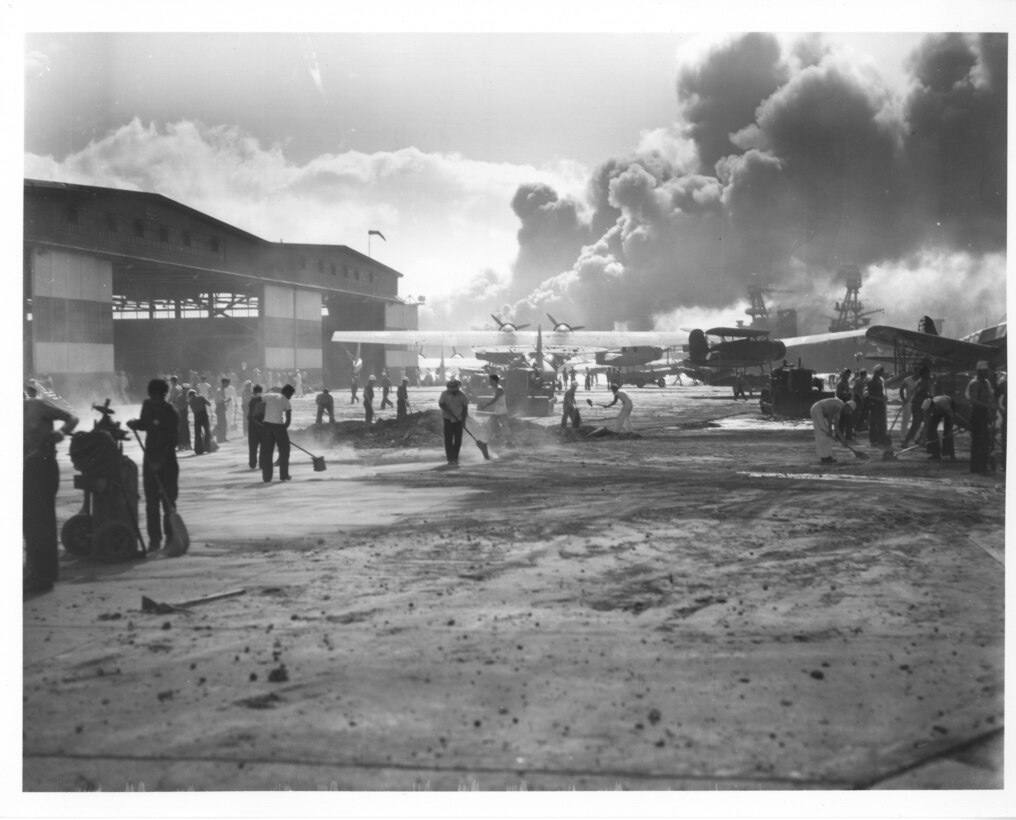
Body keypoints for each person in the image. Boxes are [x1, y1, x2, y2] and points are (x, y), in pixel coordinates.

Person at [23, 384, 78, 594]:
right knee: (31, 522)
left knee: (40, 520)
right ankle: (40, 570)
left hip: (43, 466)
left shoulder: (37, 406)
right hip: (26, 468)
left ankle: (42, 574)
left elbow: (71, 418)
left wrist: (61, 433)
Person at [126, 378, 179, 551]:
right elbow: (145, 424)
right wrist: (135, 424)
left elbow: (173, 442)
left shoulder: (171, 412)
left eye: (159, 397)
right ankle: (154, 540)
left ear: (164, 395)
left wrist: (160, 462)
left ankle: (170, 537)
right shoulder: (147, 406)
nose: (155, 400)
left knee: (168, 502)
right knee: (151, 503)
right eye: (153, 396)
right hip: (150, 461)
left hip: (168, 463)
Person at [260, 384, 295, 482]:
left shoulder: (269, 395)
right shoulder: (286, 401)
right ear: (287, 392)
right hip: (279, 427)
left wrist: (256, 417)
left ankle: (267, 477)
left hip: (266, 426)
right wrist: (283, 430)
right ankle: (284, 475)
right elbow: (288, 420)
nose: (290, 396)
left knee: (267, 452)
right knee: (285, 450)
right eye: (291, 394)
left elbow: (256, 401)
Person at [966, 361, 996, 474]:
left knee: (983, 441)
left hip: (984, 413)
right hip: (977, 414)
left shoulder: (986, 382)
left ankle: (979, 467)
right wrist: (988, 406)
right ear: (979, 372)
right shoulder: (975, 383)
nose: (986, 372)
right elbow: (973, 400)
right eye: (984, 371)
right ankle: (979, 468)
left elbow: (989, 397)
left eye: (987, 370)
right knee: (980, 441)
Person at [438, 378, 469, 466]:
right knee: (448, 440)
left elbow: (465, 408)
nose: (451, 390)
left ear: (457, 387)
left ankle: (455, 457)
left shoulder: (462, 395)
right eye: (450, 388)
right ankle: (450, 458)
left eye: (453, 388)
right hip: (447, 419)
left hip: (458, 420)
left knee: (458, 440)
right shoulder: (444, 394)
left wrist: (463, 421)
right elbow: (441, 403)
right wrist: (445, 408)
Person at [810, 396, 850, 464]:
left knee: (827, 436)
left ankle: (827, 456)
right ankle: (824, 457)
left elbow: (836, 427)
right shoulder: (839, 405)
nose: (848, 412)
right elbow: (829, 418)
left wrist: (843, 440)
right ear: (847, 406)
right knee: (822, 434)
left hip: (819, 411)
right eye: (849, 410)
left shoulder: (840, 409)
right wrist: (830, 431)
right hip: (817, 409)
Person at [902, 366, 932, 447]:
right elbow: (918, 393)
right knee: (916, 424)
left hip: (921, 404)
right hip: (918, 405)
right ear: (924, 374)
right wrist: (928, 396)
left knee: (926, 423)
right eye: (928, 373)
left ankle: (920, 439)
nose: (929, 374)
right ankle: (906, 441)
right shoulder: (922, 381)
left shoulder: (924, 380)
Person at [479, 373, 512, 441]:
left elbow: (495, 399)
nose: (489, 382)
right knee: (492, 424)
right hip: (498, 410)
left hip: (501, 411)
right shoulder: (497, 388)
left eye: (490, 380)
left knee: (503, 425)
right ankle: (496, 438)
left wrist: (485, 405)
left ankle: (508, 441)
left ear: (494, 380)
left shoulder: (499, 389)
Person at [923, 395, 956, 461]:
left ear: (933, 406)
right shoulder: (926, 409)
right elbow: (927, 425)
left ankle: (950, 453)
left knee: (947, 431)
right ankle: (935, 453)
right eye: (929, 411)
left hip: (950, 404)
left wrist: (950, 431)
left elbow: (951, 416)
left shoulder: (943, 405)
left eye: (931, 410)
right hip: (937, 410)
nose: (930, 412)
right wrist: (923, 438)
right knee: (931, 429)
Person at [865, 365, 888, 447]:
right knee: (874, 423)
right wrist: (880, 399)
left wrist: (883, 397)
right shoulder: (871, 381)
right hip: (874, 405)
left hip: (881, 404)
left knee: (882, 422)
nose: (883, 373)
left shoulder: (880, 380)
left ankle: (881, 439)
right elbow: (870, 395)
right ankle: (873, 440)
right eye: (882, 371)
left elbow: (880, 392)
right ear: (878, 372)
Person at [168, 375, 191, 451]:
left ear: (172, 381)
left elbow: (172, 399)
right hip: (181, 410)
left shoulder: (175, 389)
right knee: (183, 427)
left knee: (178, 428)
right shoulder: (180, 388)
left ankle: (179, 444)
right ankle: (184, 444)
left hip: (177, 409)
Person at [188, 389, 212, 455]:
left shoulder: (190, 402)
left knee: (197, 433)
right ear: (195, 393)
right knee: (207, 431)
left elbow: (193, 410)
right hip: (204, 415)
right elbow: (209, 404)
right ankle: (208, 447)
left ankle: (198, 450)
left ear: (190, 395)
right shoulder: (201, 397)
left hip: (197, 416)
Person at [247, 384, 265, 470]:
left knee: (253, 446)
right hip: (263, 425)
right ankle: (262, 463)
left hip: (253, 426)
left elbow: (249, 416)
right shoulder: (265, 400)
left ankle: (252, 463)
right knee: (263, 446)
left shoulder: (252, 401)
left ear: (254, 391)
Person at [214, 378, 235, 443]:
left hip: (221, 407)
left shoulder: (221, 390)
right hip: (220, 407)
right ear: (224, 383)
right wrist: (228, 400)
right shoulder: (220, 390)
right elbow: (220, 401)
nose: (228, 385)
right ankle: (220, 438)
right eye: (227, 383)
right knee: (221, 424)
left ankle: (222, 437)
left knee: (224, 423)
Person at [835, 369, 854, 440]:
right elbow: (837, 394)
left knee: (845, 420)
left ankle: (844, 435)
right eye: (848, 375)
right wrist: (844, 393)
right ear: (844, 375)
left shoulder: (846, 382)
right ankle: (841, 435)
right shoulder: (840, 383)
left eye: (849, 375)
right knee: (844, 420)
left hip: (847, 402)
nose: (849, 376)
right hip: (842, 402)